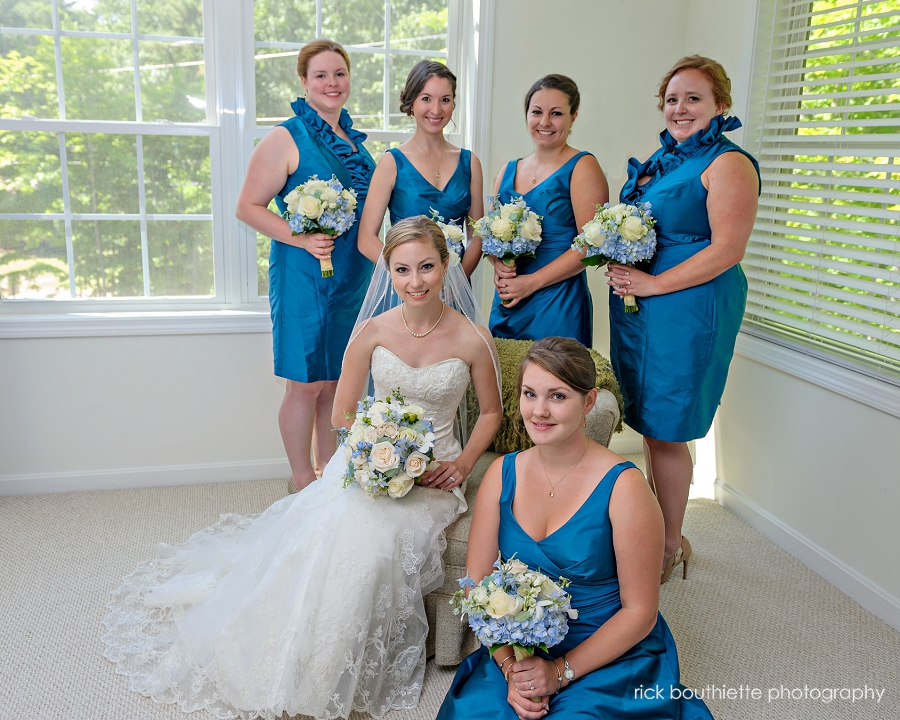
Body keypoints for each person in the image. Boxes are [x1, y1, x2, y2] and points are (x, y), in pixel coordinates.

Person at [101, 217, 503, 720]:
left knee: (375, 546)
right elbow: (343, 415)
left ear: (447, 266)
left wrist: (461, 463)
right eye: (402, 269)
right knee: (324, 529)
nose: (415, 281)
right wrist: (384, 454)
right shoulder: (373, 331)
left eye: (426, 267)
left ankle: (328, 670)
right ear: (389, 272)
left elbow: (490, 412)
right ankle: (288, 655)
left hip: (438, 477)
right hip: (372, 464)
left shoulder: (472, 337)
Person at [437, 337, 714, 720]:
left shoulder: (625, 488)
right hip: (523, 648)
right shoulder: (503, 474)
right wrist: (511, 669)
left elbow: (640, 612)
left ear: (588, 402)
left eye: (558, 397)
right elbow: (476, 585)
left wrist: (559, 672)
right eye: (530, 394)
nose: (539, 411)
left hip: (608, 647)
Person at [606, 56, 760, 582]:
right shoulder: (665, 160)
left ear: (720, 105)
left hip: (689, 307)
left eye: (693, 98)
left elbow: (728, 249)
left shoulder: (729, 163)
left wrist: (651, 282)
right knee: (650, 423)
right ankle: (662, 528)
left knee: (669, 427)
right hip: (644, 309)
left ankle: (670, 546)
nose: (680, 108)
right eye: (672, 99)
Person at [235, 39, 376, 495]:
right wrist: (301, 237)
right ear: (304, 82)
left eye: (340, 73)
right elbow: (248, 206)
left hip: (353, 277)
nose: (332, 83)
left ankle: (329, 477)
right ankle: (301, 482)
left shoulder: (354, 141)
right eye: (321, 75)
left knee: (336, 383)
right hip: (303, 277)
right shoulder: (285, 136)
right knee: (305, 385)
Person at [488, 74, 608, 347]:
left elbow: (592, 246)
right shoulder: (507, 170)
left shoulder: (583, 166)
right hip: (509, 302)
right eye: (537, 112)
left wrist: (532, 282)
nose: (544, 122)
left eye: (556, 114)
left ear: (573, 116)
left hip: (557, 302)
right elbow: (491, 240)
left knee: (556, 381)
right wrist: (497, 265)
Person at [358, 60, 484, 277]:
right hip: (406, 290)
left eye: (445, 100)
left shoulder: (470, 162)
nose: (436, 109)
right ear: (412, 103)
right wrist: (405, 276)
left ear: (453, 104)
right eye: (426, 99)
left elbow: (477, 236)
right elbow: (366, 239)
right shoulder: (391, 162)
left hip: (454, 286)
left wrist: (457, 282)